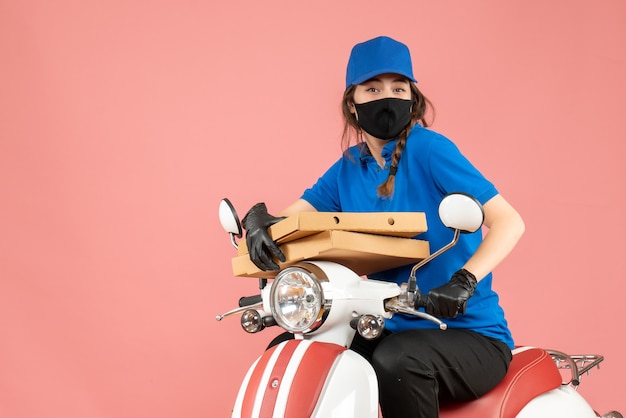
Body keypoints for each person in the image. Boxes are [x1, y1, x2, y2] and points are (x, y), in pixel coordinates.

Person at [240, 35, 525, 418]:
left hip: (468, 335)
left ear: (413, 98)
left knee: (397, 361)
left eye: (398, 87)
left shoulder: (430, 150)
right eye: (372, 88)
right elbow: (291, 220)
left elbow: (509, 221)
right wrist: (259, 220)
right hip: (387, 326)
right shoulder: (349, 167)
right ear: (352, 103)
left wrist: (465, 281)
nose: (386, 97)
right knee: (294, 349)